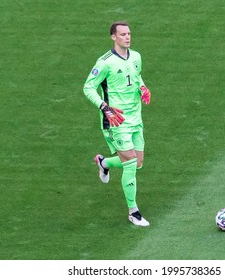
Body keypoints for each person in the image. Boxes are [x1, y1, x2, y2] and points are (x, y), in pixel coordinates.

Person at [83, 21, 152, 226]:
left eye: (129, 33)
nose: (127, 37)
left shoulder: (137, 56)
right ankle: (133, 212)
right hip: (116, 120)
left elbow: (137, 77)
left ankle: (104, 163)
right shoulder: (105, 62)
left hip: (135, 118)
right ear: (113, 37)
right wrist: (105, 107)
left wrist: (143, 88)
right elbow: (88, 88)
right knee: (130, 162)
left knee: (138, 163)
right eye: (122, 34)